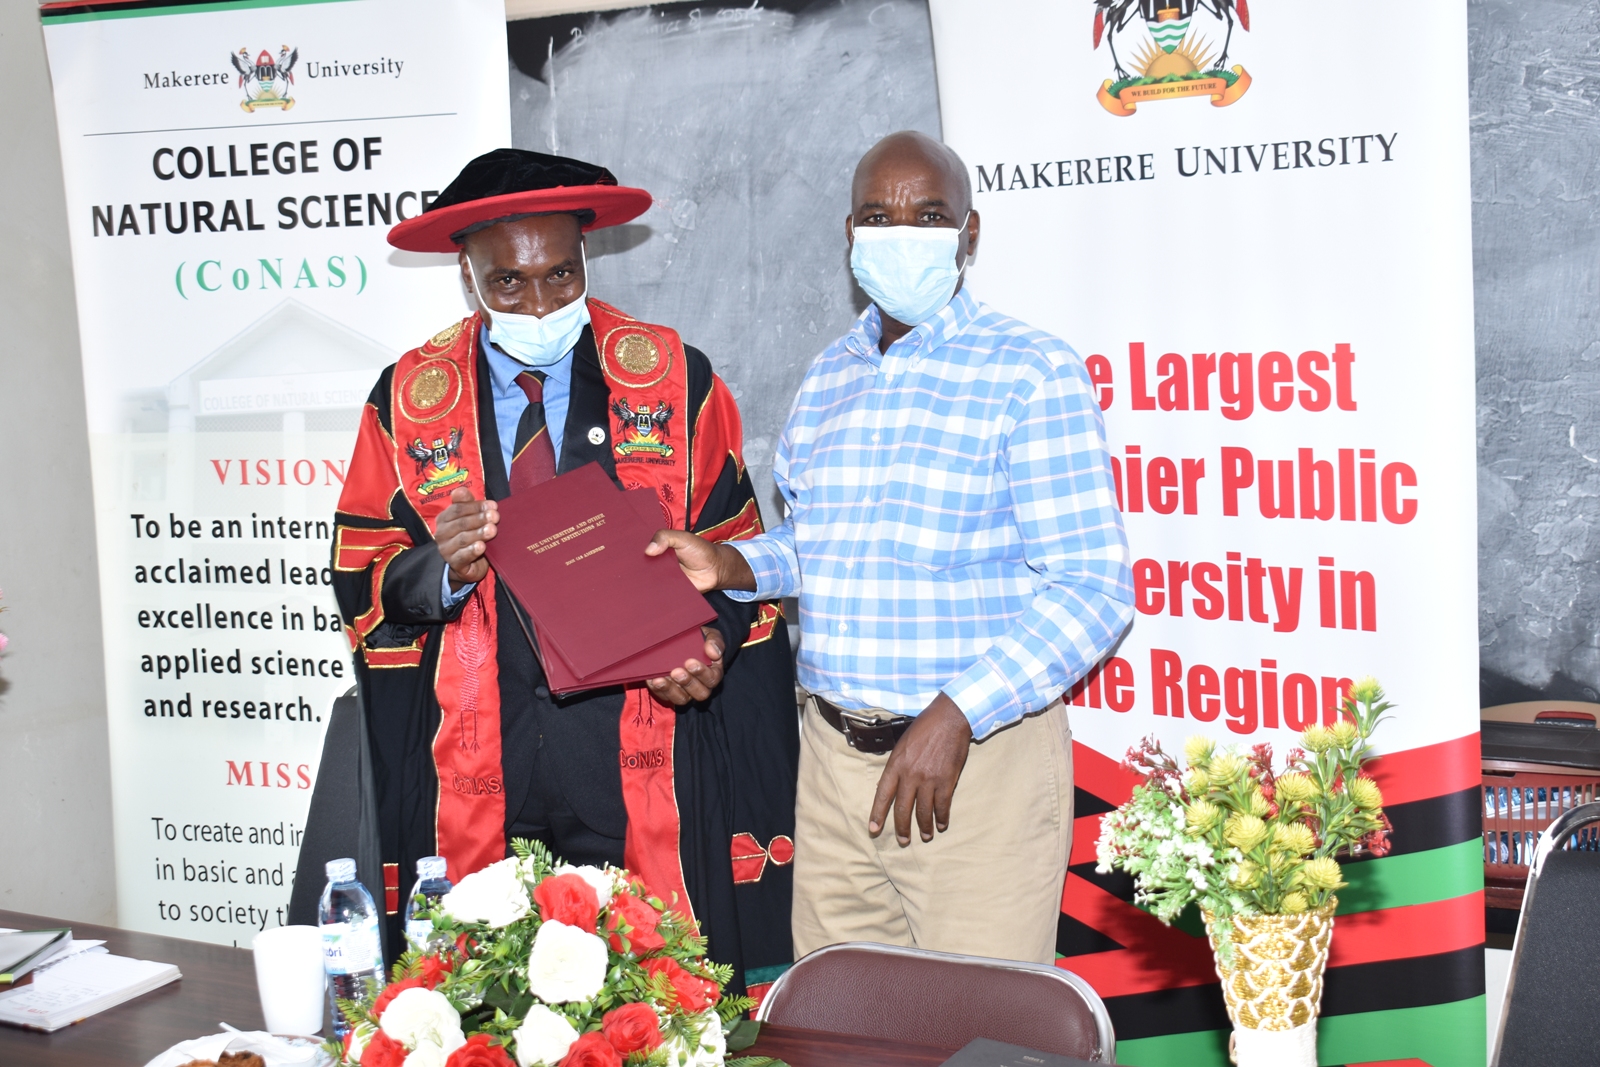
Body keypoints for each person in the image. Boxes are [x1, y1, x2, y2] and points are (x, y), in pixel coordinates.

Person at [650, 131, 1134, 964]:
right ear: (849, 235)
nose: (900, 232)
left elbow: (1094, 589)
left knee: (984, 1039)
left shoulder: (1032, 372)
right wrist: (733, 564)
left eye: (928, 215)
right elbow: (823, 546)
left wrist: (958, 711)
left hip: (977, 769)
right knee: (846, 1030)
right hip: (835, 768)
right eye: (879, 215)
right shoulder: (830, 376)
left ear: (969, 235)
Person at [330, 149, 797, 994]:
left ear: (587, 259)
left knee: (651, 1013)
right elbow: (364, 571)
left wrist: (709, 643)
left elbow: (734, 554)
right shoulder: (407, 397)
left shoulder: (671, 378)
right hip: (477, 773)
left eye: (560, 276)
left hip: (640, 765)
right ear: (467, 274)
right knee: (487, 1012)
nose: (541, 304)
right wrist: (440, 568)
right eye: (509, 283)